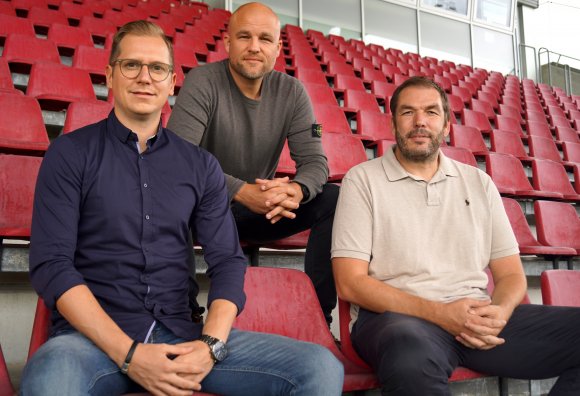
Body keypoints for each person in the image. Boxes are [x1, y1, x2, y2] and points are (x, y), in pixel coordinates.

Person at [20, 20, 344, 396]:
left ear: (171, 82)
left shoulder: (199, 165)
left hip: (183, 337)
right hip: (93, 343)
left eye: (157, 68)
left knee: (318, 366)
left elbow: (227, 262)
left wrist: (211, 346)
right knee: (50, 380)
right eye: (131, 65)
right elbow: (52, 265)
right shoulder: (69, 153)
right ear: (110, 75)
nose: (145, 77)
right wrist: (129, 355)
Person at [331, 76, 580, 395]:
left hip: (474, 316)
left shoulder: (480, 183)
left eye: (431, 112)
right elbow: (350, 283)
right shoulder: (362, 180)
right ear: (393, 123)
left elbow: (511, 275)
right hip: (398, 319)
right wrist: (441, 314)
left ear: (447, 125)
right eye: (407, 112)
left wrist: (498, 313)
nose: (420, 121)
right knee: (409, 357)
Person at [167, 2, 339, 325]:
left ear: (277, 48)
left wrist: (297, 191)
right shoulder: (202, 81)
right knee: (174, 196)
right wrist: (240, 190)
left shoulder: (294, 93)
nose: (254, 47)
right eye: (244, 37)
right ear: (228, 43)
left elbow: (316, 162)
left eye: (264, 39)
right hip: (203, 207)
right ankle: (185, 316)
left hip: (258, 210)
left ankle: (317, 318)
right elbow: (178, 155)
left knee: (333, 199)